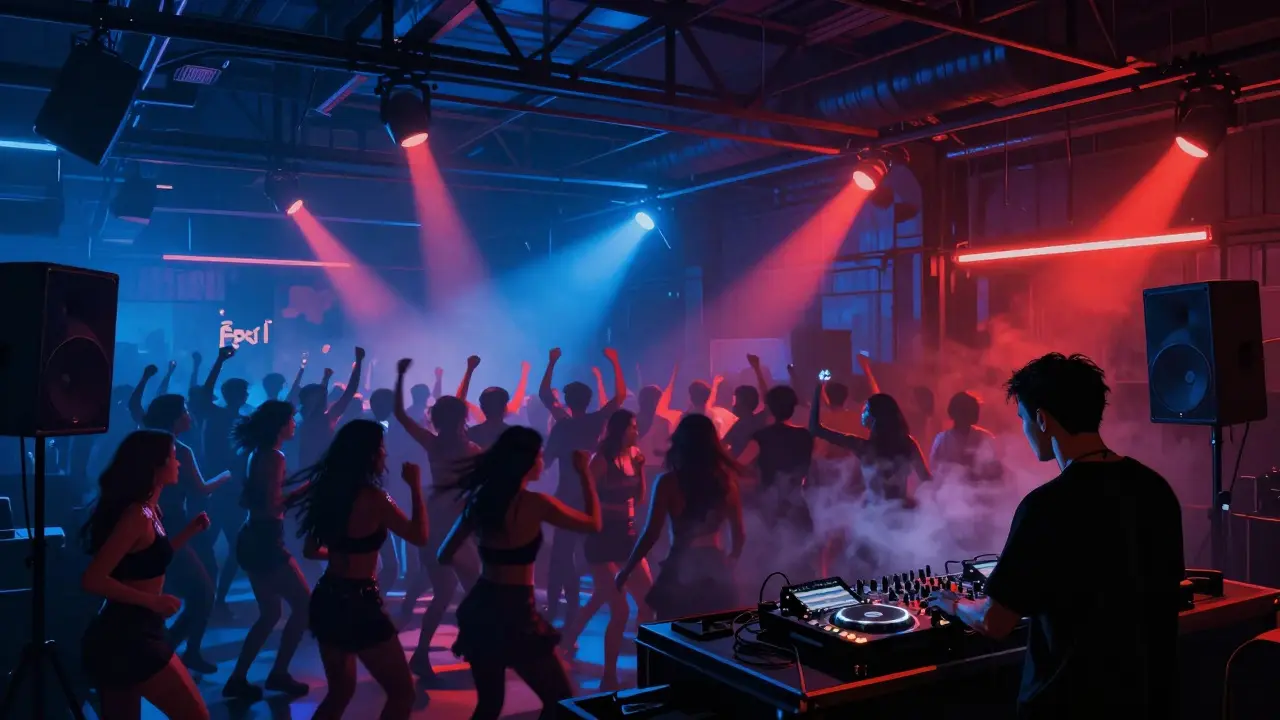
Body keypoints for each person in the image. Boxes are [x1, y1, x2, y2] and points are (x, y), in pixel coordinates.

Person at [927, 353, 1185, 719]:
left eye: (1022, 419)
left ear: (1042, 419)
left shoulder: (1045, 506)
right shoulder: (1155, 488)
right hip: (1148, 700)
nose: (1024, 430)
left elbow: (995, 622)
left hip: (1067, 703)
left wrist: (953, 604)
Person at [440, 428, 600, 720]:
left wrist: (481, 580)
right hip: (516, 612)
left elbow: (444, 554)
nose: (542, 461)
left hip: (483, 606)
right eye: (539, 455)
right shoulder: (537, 504)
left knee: (489, 705)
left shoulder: (480, 501)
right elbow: (592, 524)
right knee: (561, 700)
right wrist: (584, 474)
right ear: (526, 462)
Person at [288, 420, 429, 720]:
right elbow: (419, 536)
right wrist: (416, 488)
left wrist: (345, 553)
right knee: (402, 692)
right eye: (381, 448)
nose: (385, 455)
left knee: (339, 692)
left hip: (327, 597)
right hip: (359, 603)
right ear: (368, 454)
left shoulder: (326, 491)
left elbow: (311, 550)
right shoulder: (374, 499)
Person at [79, 430, 212, 720]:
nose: (179, 464)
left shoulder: (152, 510)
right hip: (125, 635)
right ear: (156, 465)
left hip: (136, 629)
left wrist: (189, 531)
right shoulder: (137, 515)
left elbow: (149, 559)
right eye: (174, 458)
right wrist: (153, 602)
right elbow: (92, 579)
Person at [129, 366, 230, 674]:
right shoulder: (178, 449)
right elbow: (200, 487)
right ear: (175, 417)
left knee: (166, 587)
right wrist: (226, 476)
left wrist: (144, 379)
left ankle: (170, 650)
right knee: (202, 591)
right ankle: (168, 651)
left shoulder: (143, 438)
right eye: (184, 410)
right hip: (175, 523)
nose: (189, 414)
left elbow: (135, 407)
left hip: (155, 522)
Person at [394, 357, 481, 681]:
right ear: (462, 418)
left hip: (435, 524)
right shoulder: (471, 449)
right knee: (472, 591)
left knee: (445, 593)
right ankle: (470, 646)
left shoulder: (433, 443)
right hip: (455, 528)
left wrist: (400, 376)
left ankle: (423, 654)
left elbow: (401, 416)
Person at [617, 414, 745, 620]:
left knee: (672, 636)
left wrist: (626, 570)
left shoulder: (669, 483)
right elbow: (739, 535)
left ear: (680, 443)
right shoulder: (727, 483)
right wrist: (730, 561)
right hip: (714, 564)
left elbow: (651, 534)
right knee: (712, 637)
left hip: (681, 563)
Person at [222, 401, 310, 700]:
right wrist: (304, 491)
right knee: (303, 605)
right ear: (280, 424)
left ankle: (238, 678)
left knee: (271, 612)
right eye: (291, 419)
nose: (294, 424)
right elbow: (273, 505)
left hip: (253, 537)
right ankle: (279, 673)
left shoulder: (257, 453)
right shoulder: (275, 457)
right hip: (265, 540)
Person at [559, 410, 651, 689]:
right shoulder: (600, 460)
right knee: (620, 609)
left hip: (627, 537)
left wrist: (642, 468)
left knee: (647, 601)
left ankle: (569, 637)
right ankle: (608, 675)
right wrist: (613, 509)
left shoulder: (634, 456)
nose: (636, 431)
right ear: (620, 429)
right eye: (633, 427)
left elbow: (641, 497)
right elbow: (586, 499)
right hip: (601, 540)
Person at [538, 346, 626, 627]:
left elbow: (543, 397)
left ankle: (556, 610)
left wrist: (551, 363)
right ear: (587, 401)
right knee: (579, 557)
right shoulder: (595, 422)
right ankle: (573, 612)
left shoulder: (562, 427)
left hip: (565, 496)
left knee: (560, 558)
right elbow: (620, 397)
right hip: (590, 498)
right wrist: (615, 361)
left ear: (566, 401)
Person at [809, 383, 931, 505]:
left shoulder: (864, 447)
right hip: (901, 511)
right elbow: (926, 479)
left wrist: (817, 391)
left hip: (874, 515)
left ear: (875, 417)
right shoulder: (908, 444)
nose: (862, 413)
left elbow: (815, 428)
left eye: (866, 409)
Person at [929, 391, 1002, 485]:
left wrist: (979, 475)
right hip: (949, 492)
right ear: (953, 412)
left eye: (967, 412)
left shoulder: (985, 438)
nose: (963, 416)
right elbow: (935, 471)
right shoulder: (942, 440)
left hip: (982, 491)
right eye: (961, 411)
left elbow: (997, 470)